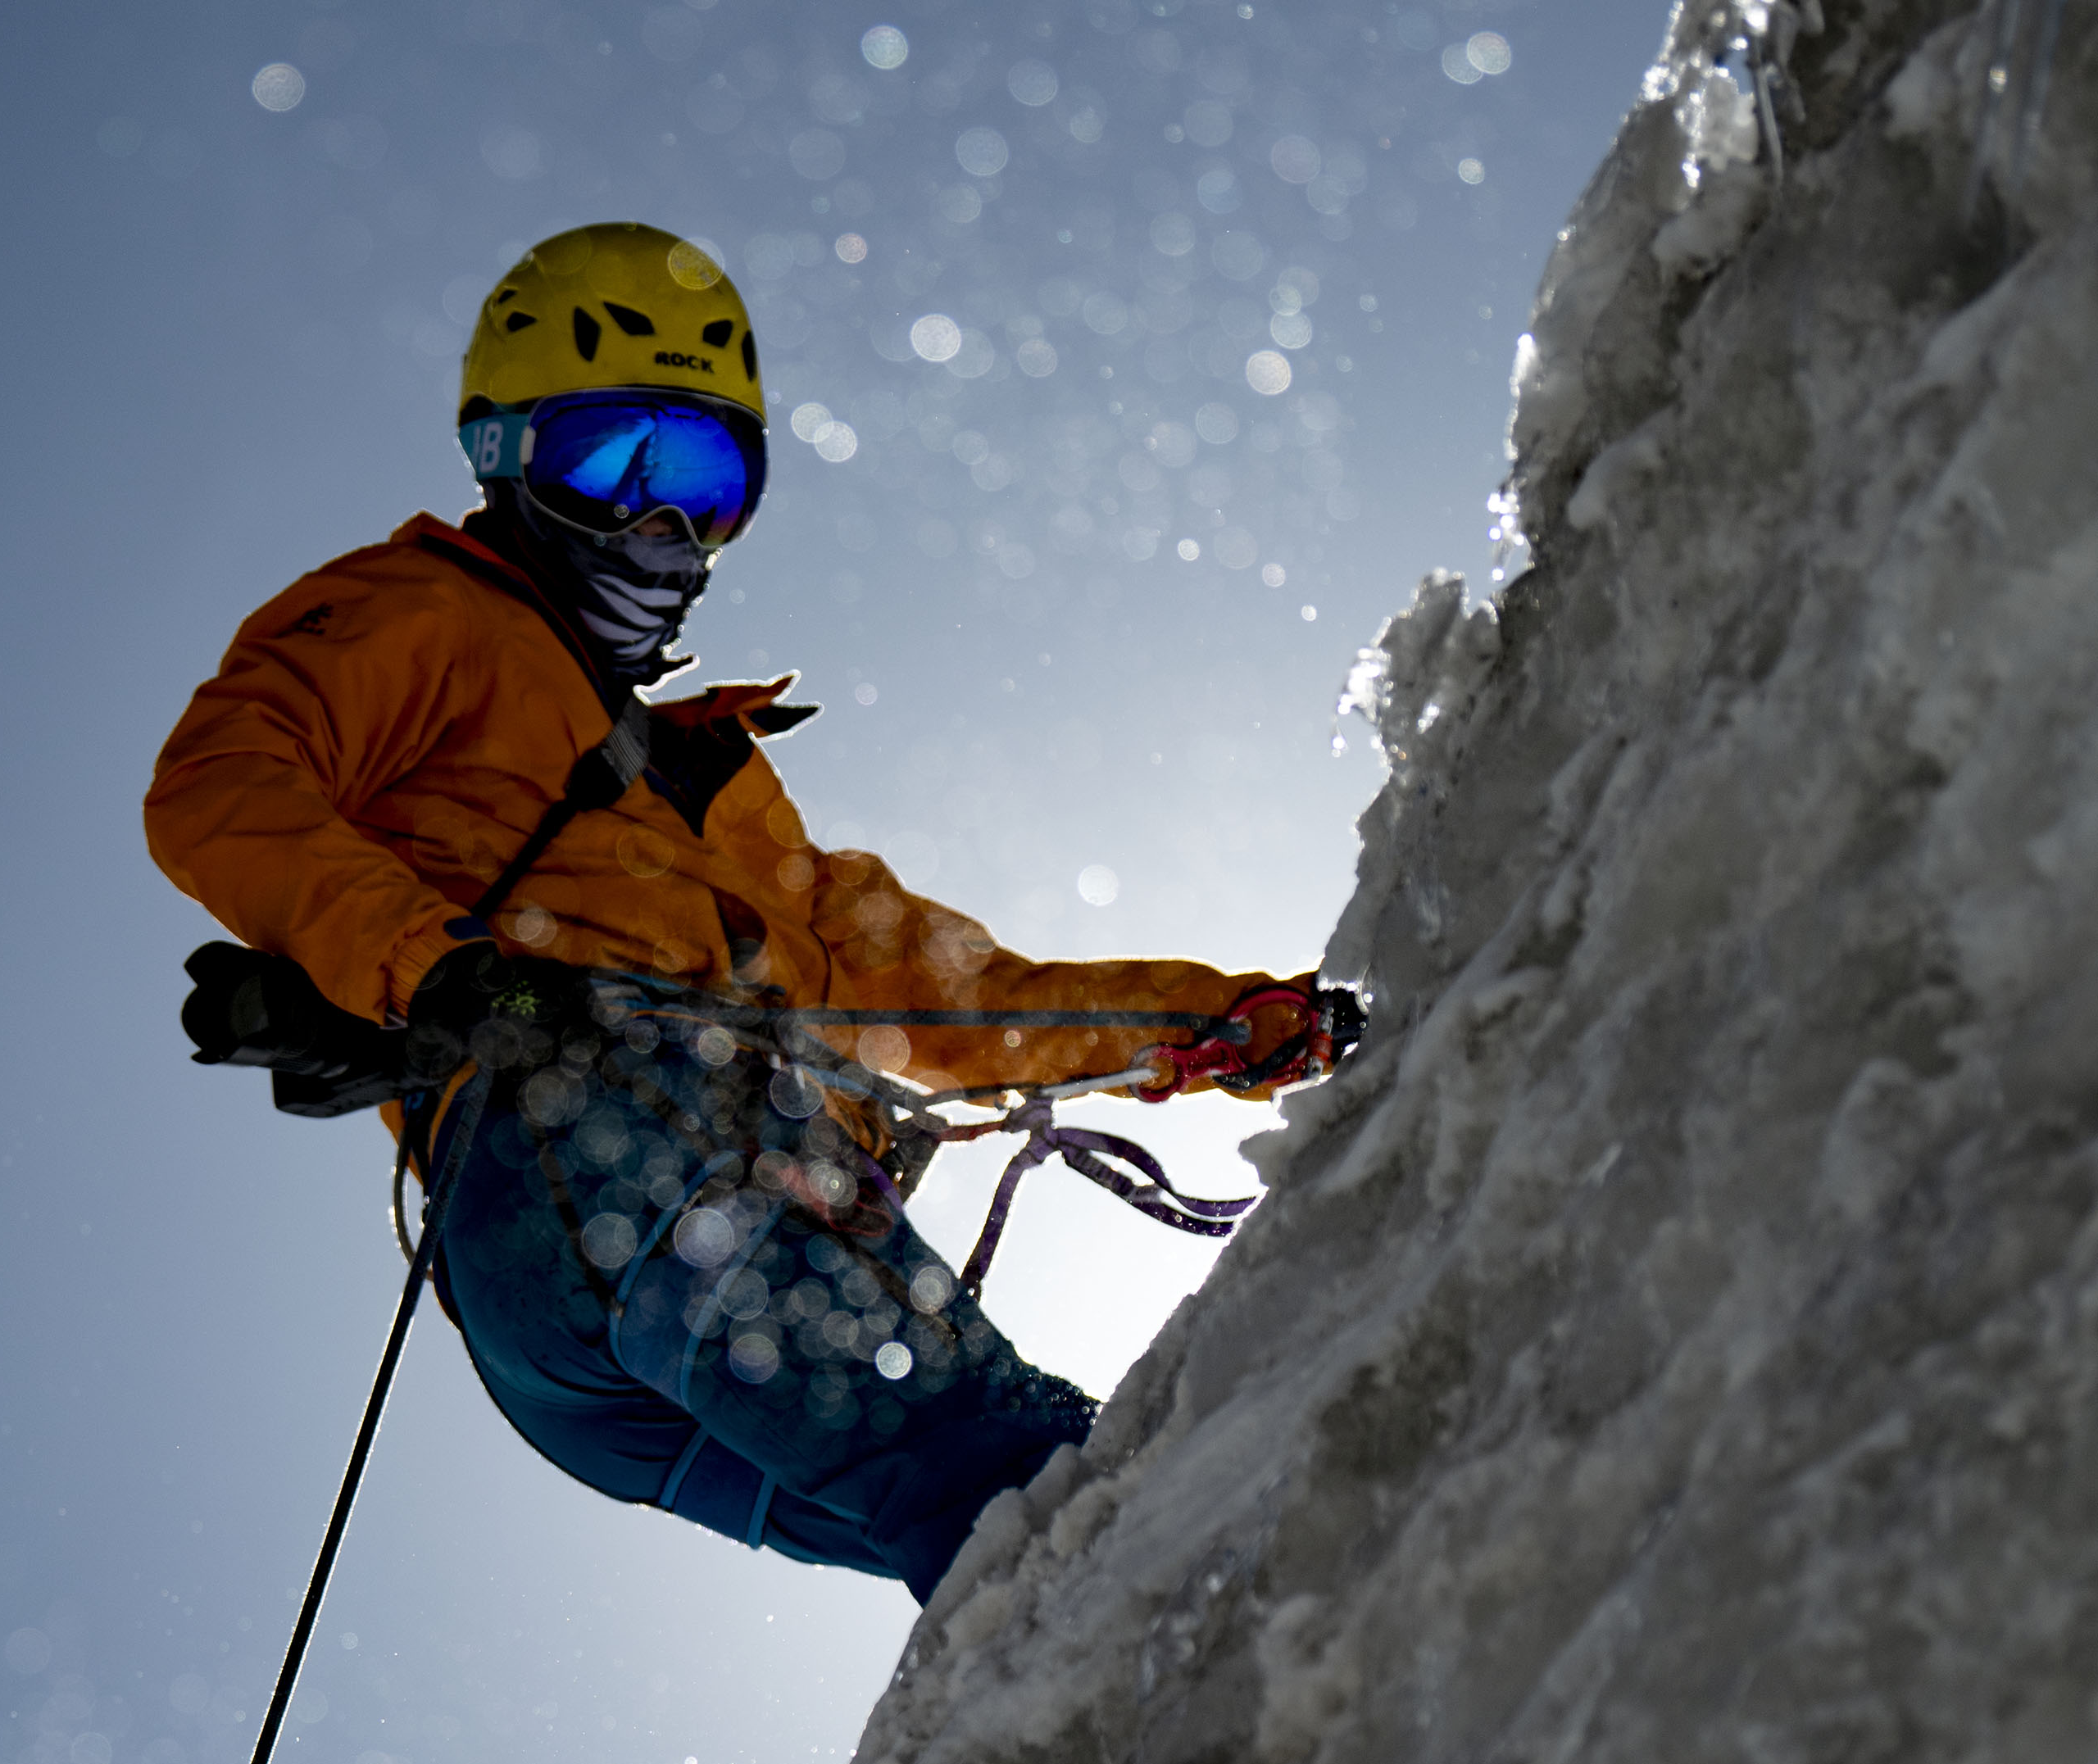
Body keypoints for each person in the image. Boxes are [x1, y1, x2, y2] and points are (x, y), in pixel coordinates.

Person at [148, 220, 1341, 1604]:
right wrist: (434, 971)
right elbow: (226, 781)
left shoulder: (726, 804)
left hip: (626, 1320)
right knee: (1036, 1492)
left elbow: (956, 1003)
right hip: (607, 1145)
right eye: (609, 463)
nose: (657, 523)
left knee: (999, 1552)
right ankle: (1232, 1602)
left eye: (704, 478)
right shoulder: (435, 618)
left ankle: (1112, 1718)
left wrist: (1218, 1025)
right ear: (503, 460)